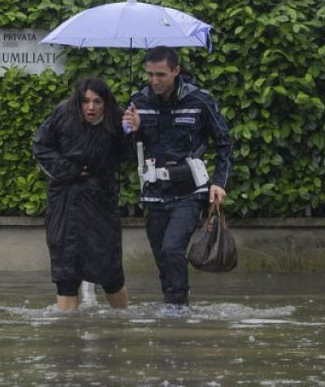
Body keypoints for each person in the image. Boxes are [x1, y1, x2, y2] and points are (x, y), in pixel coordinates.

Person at [123, 46, 232, 308]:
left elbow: (224, 143)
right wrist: (133, 131)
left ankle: (178, 308)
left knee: (172, 248)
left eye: (160, 74)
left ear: (176, 71)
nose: (154, 81)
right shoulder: (138, 101)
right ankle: (172, 306)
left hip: (189, 191)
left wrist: (219, 182)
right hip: (153, 192)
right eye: (150, 74)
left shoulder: (200, 100)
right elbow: (127, 152)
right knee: (163, 256)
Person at [32, 78, 132, 311]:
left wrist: (132, 131)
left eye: (97, 101)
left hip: (101, 201)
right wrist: (73, 169)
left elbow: (127, 156)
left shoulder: (118, 120)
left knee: (110, 272)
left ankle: (121, 322)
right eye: (86, 101)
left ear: (105, 103)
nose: (91, 107)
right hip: (65, 200)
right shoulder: (63, 115)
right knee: (65, 272)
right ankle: (68, 336)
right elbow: (41, 146)